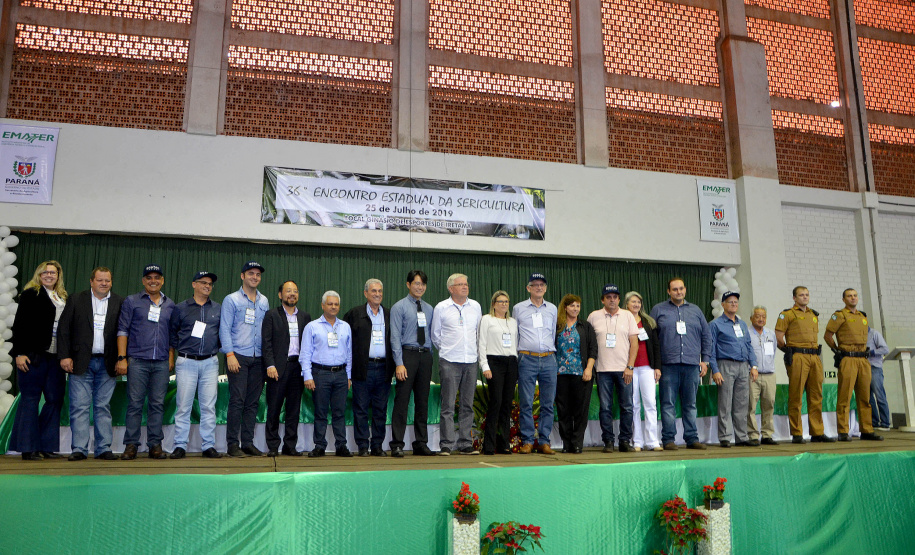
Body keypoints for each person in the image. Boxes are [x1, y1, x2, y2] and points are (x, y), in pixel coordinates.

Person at [58, 266, 123, 461]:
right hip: (79, 361)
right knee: (79, 406)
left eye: (108, 280)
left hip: (108, 362)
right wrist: (64, 356)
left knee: (103, 407)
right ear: (91, 281)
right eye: (100, 280)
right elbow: (64, 330)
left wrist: (122, 358)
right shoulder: (77, 299)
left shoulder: (120, 302)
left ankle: (103, 448)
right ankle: (79, 448)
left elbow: (125, 332)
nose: (104, 283)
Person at [9, 260, 68, 461]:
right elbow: (19, 326)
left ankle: (46, 445)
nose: (49, 275)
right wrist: (19, 353)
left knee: (54, 399)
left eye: (53, 272)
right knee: (30, 400)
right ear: (39, 274)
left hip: (56, 357)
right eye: (45, 272)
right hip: (32, 355)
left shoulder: (62, 296)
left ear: (58, 275)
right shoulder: (30, 294)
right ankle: (28, 448)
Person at [117, 264, 176, 460]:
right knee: (134, 404)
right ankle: (131, 445)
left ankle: (155, 445)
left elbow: (171, 335)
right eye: (149, 277)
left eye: (157, 277)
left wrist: (169, 358)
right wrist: (122, 358)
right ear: (143, 281)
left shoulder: (170, 305)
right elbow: (122, 330)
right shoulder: (132, 301)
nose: (153, 281)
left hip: (160, 362)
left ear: (163, 280)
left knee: (157, 404)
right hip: (137, 361)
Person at [650, 277, 712, 450]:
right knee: (668, 404)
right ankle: (668, 439)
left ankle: (692, 438)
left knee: (690, 404)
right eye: (675, 289)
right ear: (668, 292)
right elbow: (652, 338)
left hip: (692, 365)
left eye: (681, 288)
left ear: (685, 290)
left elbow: (706, 337)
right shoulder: (658, 310)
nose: (679, 292)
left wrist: (705, 360)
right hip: (667, 366)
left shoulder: (696, 311)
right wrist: (655, 364)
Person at [168, 271, 222, 459]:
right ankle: (180, 445)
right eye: (203, 282)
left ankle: (208, 446)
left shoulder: (218, 308)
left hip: (210, 362)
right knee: (183, 406)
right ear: (194, 284)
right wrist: (173, 357)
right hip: (186, 361)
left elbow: (221, 335)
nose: (207, 286)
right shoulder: (180, 308)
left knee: (208, 406)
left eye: (210, 284)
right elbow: (172, 334)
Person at [220, 261, 270, 457]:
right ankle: (233, 444)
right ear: (242, 276)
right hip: (238, 356)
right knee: (237, 401)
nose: (255, 277)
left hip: (258, 358)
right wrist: (229, 355)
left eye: (258, 274)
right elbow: (224, 329)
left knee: (252, 403)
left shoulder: (264, 301)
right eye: (251, 273)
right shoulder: (231, 300)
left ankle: (247, 442)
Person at [774, 286, 835, 444]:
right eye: (801, 295)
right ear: (794, 298)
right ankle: (797, 433)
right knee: (796, 396)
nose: (805, 297)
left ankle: (817, 432)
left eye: (807, 295)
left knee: (816, 396)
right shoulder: (787, 314)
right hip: (798, 356)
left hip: (814, 356)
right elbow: (778, 337)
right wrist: (788, 351)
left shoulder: (813, 315)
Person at [431, 273, 482, 455]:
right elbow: (435, 335)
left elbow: (478, 333)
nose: (465, 287)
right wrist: (447, 350)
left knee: (467, 405)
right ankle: (446, 444)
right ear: (451, 288)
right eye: (460, 284)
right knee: (448, 405)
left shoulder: (475, 306)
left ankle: (465, 443)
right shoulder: (441, 308)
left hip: (470, 361)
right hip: (449, 361)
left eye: (466, 284)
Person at [344, 279, 396, 457]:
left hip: (383, 368)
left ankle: (377, 446)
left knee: (380, 410)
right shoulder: (354, 314)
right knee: (361, 409)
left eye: (380, 291)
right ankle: (362, 446)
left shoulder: (389, 315)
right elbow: (346, 342)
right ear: (365, 293)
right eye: (374, 291)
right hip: (362, 369)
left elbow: (396, 342)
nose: (377, 294)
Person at [824, 288, 883, 441]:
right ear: (844, 299)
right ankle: (843, 431)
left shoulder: (863, 317)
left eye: (855, 296)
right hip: (848, 358)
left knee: (865, 397)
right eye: (849, 296)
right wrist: (838, 350)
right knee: (845, 396)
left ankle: (867, 430)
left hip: (863, 360)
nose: (853, 298)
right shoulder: (839, 315)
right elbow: (828, 335)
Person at [388, 270, 436, 457]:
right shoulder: (399, 307)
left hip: (425, 356)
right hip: (407, 356)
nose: (420, 287)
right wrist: (399, 363)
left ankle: (421, 443)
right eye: (416, 283)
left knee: (422, 401)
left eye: (423, 284)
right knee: (402, 401)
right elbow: (394, 338)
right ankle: (397, 444)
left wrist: (429, 356)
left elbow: (431, 336)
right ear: (408, 285)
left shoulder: (429, 309)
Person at [300, 291, 353, 458]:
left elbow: (349, 353)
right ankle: (319, 445)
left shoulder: (345, 326)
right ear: (322, 305)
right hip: (320, 373)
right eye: (330, 304)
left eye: (336, 304)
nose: (333, 307)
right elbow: (305, 353)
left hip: (341, 374)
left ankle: (341, 445)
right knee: (321, 412)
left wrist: (349, 375)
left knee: (339, 412)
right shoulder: (312, 326)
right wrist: (307, 376)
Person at [587, 284, 639, 453]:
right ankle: (608, 441)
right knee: (605, 407)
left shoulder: (628, 316)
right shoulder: (594, 316)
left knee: (627, 406)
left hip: (624, 369)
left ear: (619, 299)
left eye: (615, 297)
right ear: (603, 299)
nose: (612, 300)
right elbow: (588, 343)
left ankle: (624, 441)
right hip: (602, 370)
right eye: (608, 297)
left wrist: (630, 366)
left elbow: (634, 344)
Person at [262, 280, 310, 457]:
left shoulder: (305, 317)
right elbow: (266, 343)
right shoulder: (271, 315)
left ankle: (290, 445)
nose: (292, 294)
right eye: (288, 291)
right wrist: (270, 365)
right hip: (277, 369)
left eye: (295, 291)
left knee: (293, 409)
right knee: (274, 408)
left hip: (298, 369)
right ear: (280, 295)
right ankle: (273, 446)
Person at [512, 273, 558, 455]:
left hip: (549, 358)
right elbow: (514, 333)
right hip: (527, 358)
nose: (539, 287)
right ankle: (528, 441)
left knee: (548, 403)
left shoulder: (552, 309)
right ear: (528, 288)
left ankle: (544, 441)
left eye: (542, 285)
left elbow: (553, 332)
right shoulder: (518, 308)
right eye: (535, 284)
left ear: (545, 288)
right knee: (526, 403)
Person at [708, 292, 757, 448]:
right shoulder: (715, 324)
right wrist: (715, 370)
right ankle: (725, 437)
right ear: (723, 304)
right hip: (725, 364)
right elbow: (711, 349)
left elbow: (749, 345)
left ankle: (741, 437)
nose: (734, 304)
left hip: (743, 366)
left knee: (742, 403)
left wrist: (753, 365)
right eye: (730, 302)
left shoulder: (742, 324)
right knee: (725, 403)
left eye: (736, 302)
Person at [478, 290, 519, 455]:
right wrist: (484, 366)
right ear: (494, 304)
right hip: (494, 362)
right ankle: (488, 445)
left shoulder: (513, 322)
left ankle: (504, 444)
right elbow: (481, 343)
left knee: (507, 404)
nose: (504, 304)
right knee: (496, 402)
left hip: (511, 362)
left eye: (506, 302)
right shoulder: (487, 319)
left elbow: (515, 344)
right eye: (500, 301)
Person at [554, 294, 596, 454]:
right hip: (560, 375)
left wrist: (589, 369)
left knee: (580, 410)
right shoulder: (557, 326)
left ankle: (577, 443)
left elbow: (593, 349)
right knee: (564, 410)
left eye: (578, 306)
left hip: (581, 374)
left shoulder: (585, 326)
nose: (575, 309)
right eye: (572, 306)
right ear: (565, 307)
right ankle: (566, 443)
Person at [623, 291, 662, 452]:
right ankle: (637, 441)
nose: (636, 305)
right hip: (629, 369)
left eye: (638, 302)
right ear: (626, 304)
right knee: (634, 404)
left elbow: (656, 346)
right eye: (633, 302)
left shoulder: (649, 322)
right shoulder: (622, 321)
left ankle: (653, 441)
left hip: (647, 367)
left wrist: (657, 367)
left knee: (650, 404)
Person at [747, 306, 778, 445]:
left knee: (769, 405)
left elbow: (773, 352)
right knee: (750, 406)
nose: (761, 319)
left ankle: (767, 435)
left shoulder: (771, 334)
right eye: (758, 316)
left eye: (763, 316)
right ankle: (753, 435)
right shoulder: (746, 333)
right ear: (751, 318)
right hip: (752, 375)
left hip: (769, 374)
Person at [867, 327, 891, 431]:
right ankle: (874, 422)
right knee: (868, 397)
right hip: (864, 368)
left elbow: (885, 349)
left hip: (875, 368)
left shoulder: (874, 334)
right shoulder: (859, 335)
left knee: (879, 395)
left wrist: (872, 352)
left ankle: (885, 423)